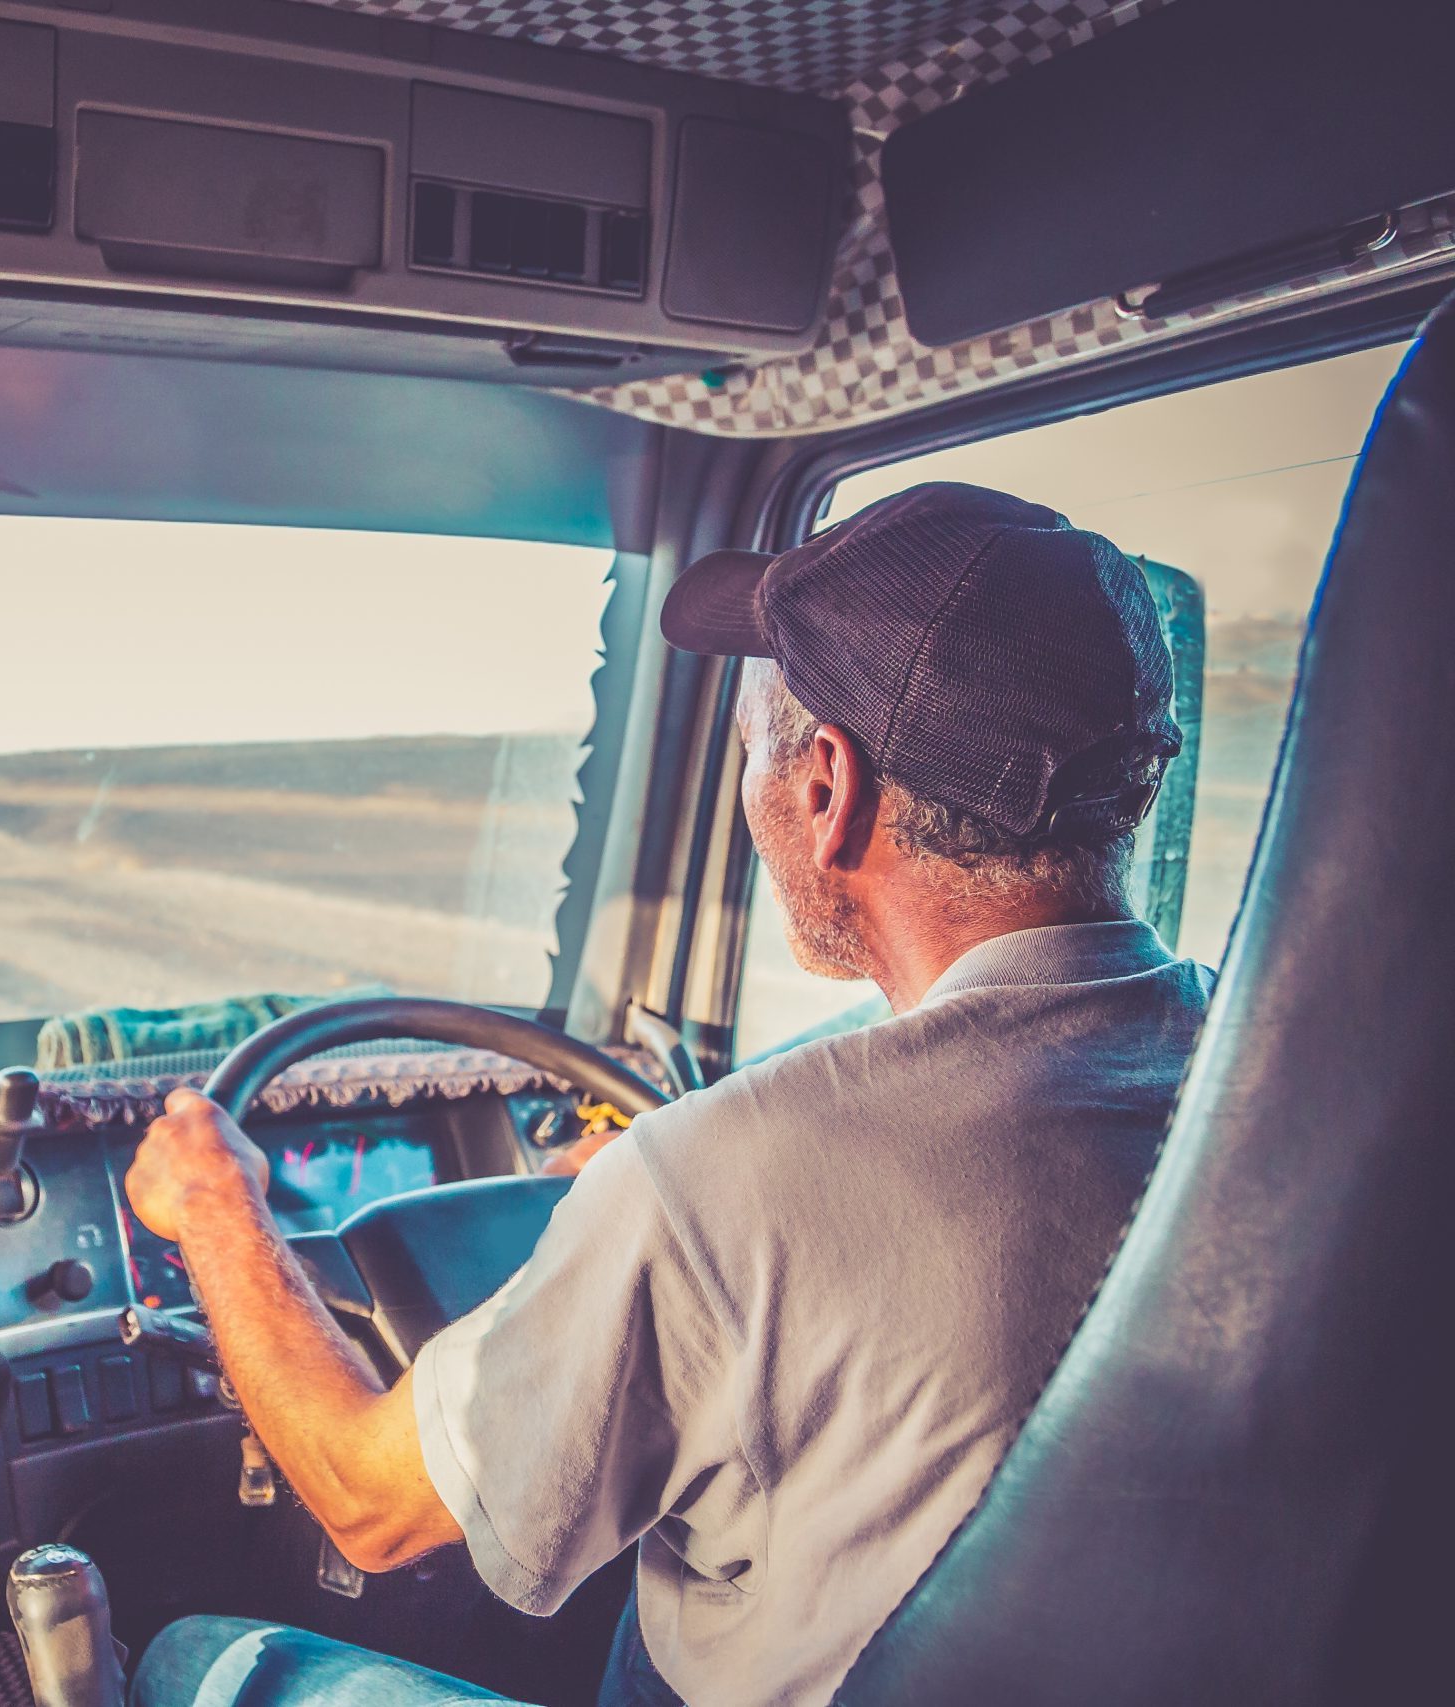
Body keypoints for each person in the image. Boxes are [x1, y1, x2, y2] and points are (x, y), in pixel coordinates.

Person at [124, 483, 1214, 1706]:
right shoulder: (1263, 1070)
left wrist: (214, 1207)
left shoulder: (718, 1184)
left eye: (753, 754)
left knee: (190, 1660)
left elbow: (371, 1506)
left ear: (823, 790)